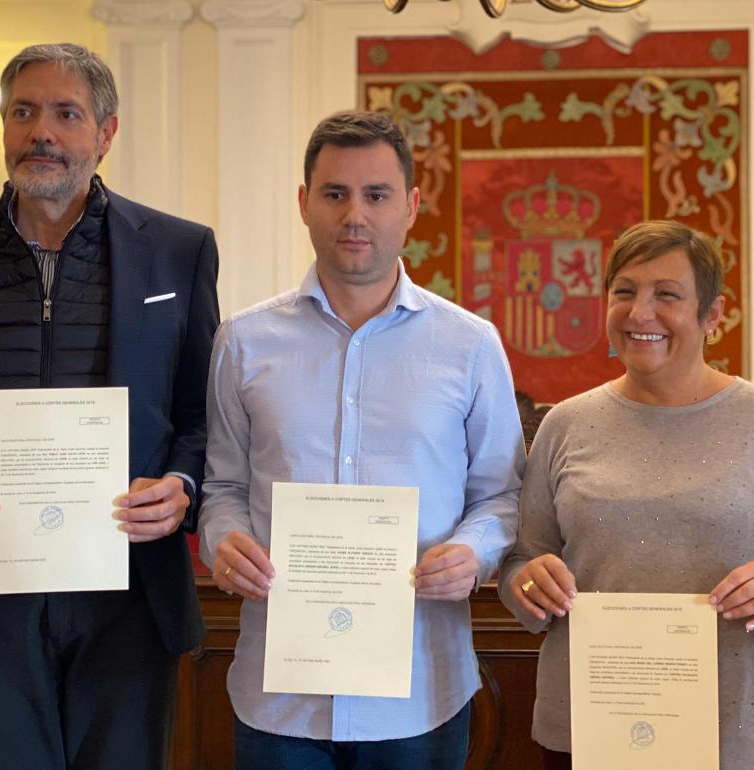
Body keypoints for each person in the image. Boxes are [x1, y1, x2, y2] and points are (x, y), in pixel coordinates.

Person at [0, 43, 219, 769]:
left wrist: (182, 487)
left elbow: (203, 415)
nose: (43, 132)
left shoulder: (181, 253)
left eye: (67, 114)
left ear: (106, 133)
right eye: (25, 112)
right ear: (3, 126)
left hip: (130, 594)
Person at [198, 110, 525, 770]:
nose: (355, 215)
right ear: (304, 203)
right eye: (335, 193)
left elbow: (503, 496)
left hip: (419, 690)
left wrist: (472, 552)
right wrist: (221, 541)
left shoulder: (469, 345)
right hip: (279, 694)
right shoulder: (243, 341)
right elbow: (223, 488)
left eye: (376, 195)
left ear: (411, 206)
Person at [498, 219, 754, 770]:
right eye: (624, 292)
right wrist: (529, 583)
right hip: (587, 727)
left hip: (734, 731)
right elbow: (520, 563)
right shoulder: (565, 425)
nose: (639, 313)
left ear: (713, 315)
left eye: (667, 295)